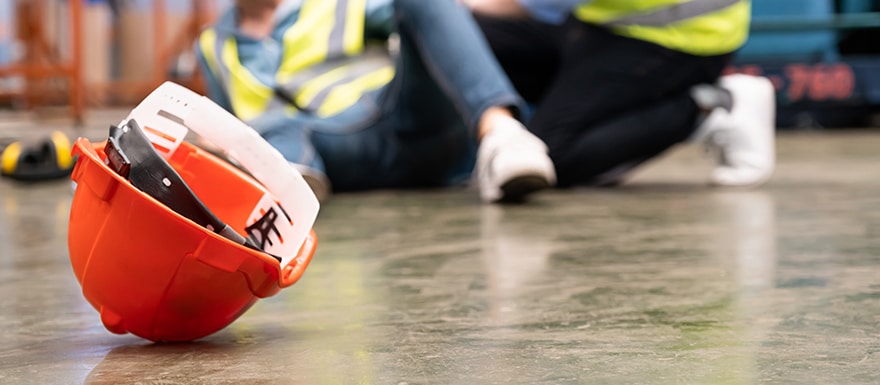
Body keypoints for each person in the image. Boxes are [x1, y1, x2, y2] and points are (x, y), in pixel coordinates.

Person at [193, 0, 556, 204]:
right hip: (329, 151)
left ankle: (501, 134)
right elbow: (227, 125)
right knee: (268, 129)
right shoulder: (212, 47)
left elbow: (428, 18)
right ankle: (290, 196)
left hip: (403, 115)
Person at [463, 0, 776, 188]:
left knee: (545, 159)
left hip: (678, 39)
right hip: (604, 21)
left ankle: (708, 108)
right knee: (470, 41)